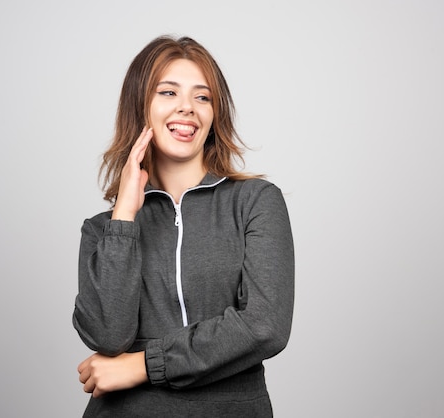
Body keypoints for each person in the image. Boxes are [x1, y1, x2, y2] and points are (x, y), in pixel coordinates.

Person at [72, 34, 295, 417]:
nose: (188, 108)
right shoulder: (103, 230)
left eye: (202, 97)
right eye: (168, 93)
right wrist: (124, 214)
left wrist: (142, 365)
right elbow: (109, 336)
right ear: (139, 106)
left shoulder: (256, 201)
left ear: (215, 113)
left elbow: (264, 326)